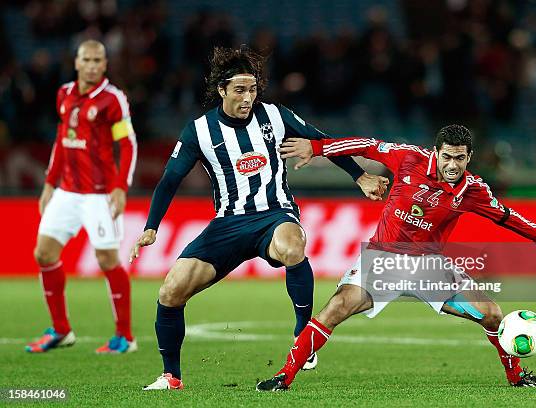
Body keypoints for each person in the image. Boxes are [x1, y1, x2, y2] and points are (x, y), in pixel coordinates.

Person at [130, 46, 389, 390]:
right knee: (171, 291)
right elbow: (169, 180)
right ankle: (171, 376)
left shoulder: (275, 115)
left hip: (274, 214)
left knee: (292, 246)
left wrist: (359, 176)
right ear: (221, 90)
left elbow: (322, 141)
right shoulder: (200, 131)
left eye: (252, 90)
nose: (247, 97)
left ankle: (303, 337)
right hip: (228, 224)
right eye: (239, 90)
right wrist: (151, 227)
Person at [256, 124, 536, 391]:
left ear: (469, 157)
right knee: (334, 309)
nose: (453, 164)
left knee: (491, 313)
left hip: (429, 267)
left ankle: (517, 377)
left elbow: (503, 214)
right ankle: (284, 376)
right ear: (436, 152)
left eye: (460, 158)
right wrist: (318, 148)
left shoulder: (471, 189)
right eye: (447, 156)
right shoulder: (408, 157)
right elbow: (366, 145)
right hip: (381, 261)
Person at [26, 40, 138, 354]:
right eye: (86, 59)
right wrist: (50, 183)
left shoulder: (112, 100)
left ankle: (125, 337)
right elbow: (62, 139)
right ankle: (61, 331)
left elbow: (127, 144)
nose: (91, 65)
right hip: (66, 191)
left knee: (107, 260)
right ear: (76, 62)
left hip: (99, 195)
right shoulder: (64, 94)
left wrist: (120, 187)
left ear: (105, 64)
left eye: (97, 60)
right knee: (43, 254)